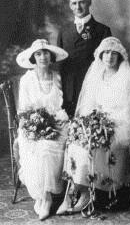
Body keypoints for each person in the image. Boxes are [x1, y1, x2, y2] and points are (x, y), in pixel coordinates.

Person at [56, 36, 130, 215]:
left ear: (120, 56)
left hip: (119, 125)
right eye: (106, 53)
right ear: (100, 55)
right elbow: (89, 105)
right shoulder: (96, 75)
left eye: (114, 53)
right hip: (97, 122)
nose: (109, 57)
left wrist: (107, 125)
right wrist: (89, 123)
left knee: (93, 147)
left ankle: (85, 195)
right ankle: (75, 192)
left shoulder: (127, 76)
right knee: (75, 143)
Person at [16, 39, 69, 220]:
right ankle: (44, 197)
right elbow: (23, 110)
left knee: (52, 145)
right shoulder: (27, 80)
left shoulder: (58, 77)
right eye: (38, 54)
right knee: (41, 148)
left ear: (51, 56)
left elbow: (61, 107)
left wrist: (57, 121)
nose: (43, 57)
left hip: (57, 123)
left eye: (46, 53)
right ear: (33, 58)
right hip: (32, 125)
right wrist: (36, 125)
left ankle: (46, 197)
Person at [57, 0, 112, 117]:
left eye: (82, 2)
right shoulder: (63, 32)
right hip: (68, 93)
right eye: (74, 3)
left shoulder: (102, 30)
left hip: (92, 90)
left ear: (89, 2)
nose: (78, 6)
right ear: (70, 5)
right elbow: (60, 65)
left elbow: (108, 65)